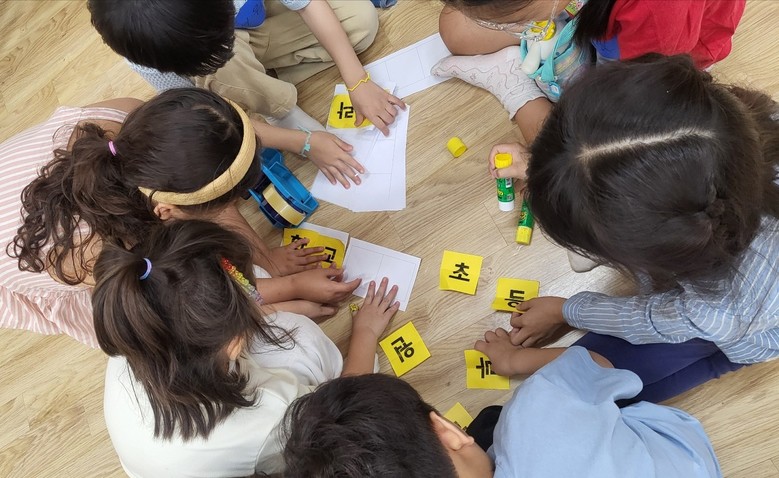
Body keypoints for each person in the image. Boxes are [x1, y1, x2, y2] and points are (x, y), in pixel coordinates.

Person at [505, 54, 779, 403]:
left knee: (628, 386)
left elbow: (648, 318)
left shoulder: (718, 310)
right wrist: (550, 170)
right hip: (738, 304)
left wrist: (567, 309)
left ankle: (719, 362)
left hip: (746, 333)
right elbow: (628, 153)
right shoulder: (741, 122)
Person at [5, 88, 357, 347]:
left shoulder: (129, 119)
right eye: (224, 202)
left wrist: (302, 141)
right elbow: (187, 318)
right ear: (166, 212)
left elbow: (221, 135)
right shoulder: (98, 258)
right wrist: (276, 308)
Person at [95, 219, 400, 477]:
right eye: (249, 301)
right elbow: (346, 413)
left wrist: (292, 290)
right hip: (251, 449)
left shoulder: (134, 319)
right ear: (233, 343)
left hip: (159, 456)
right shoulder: (271, 412)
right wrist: (365, 332)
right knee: (302, 340)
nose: (257, 302)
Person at [88, 0, 406, 188]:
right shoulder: (146, 49)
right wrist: (302, 142)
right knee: (223, 72)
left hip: (261, 19)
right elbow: (204, 114)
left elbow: (308, 3)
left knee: (362, 23)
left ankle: (257, 84)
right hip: (228, 57)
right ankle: (273, 102)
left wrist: (357, 80)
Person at [281, 344, 722, 478]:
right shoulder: (539, 407)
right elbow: (601, 365)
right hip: (688, 457)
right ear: (447, 431)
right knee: (597, 362)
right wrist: (517, 360)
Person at [431, 0, 745, 181]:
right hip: (591, 20)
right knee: (456, 28)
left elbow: (633, 115)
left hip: (653, 66)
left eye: (517, 21)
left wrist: (544, 162)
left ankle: (516, 87)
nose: (515, 29)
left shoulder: (656, 18)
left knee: (579, 171)